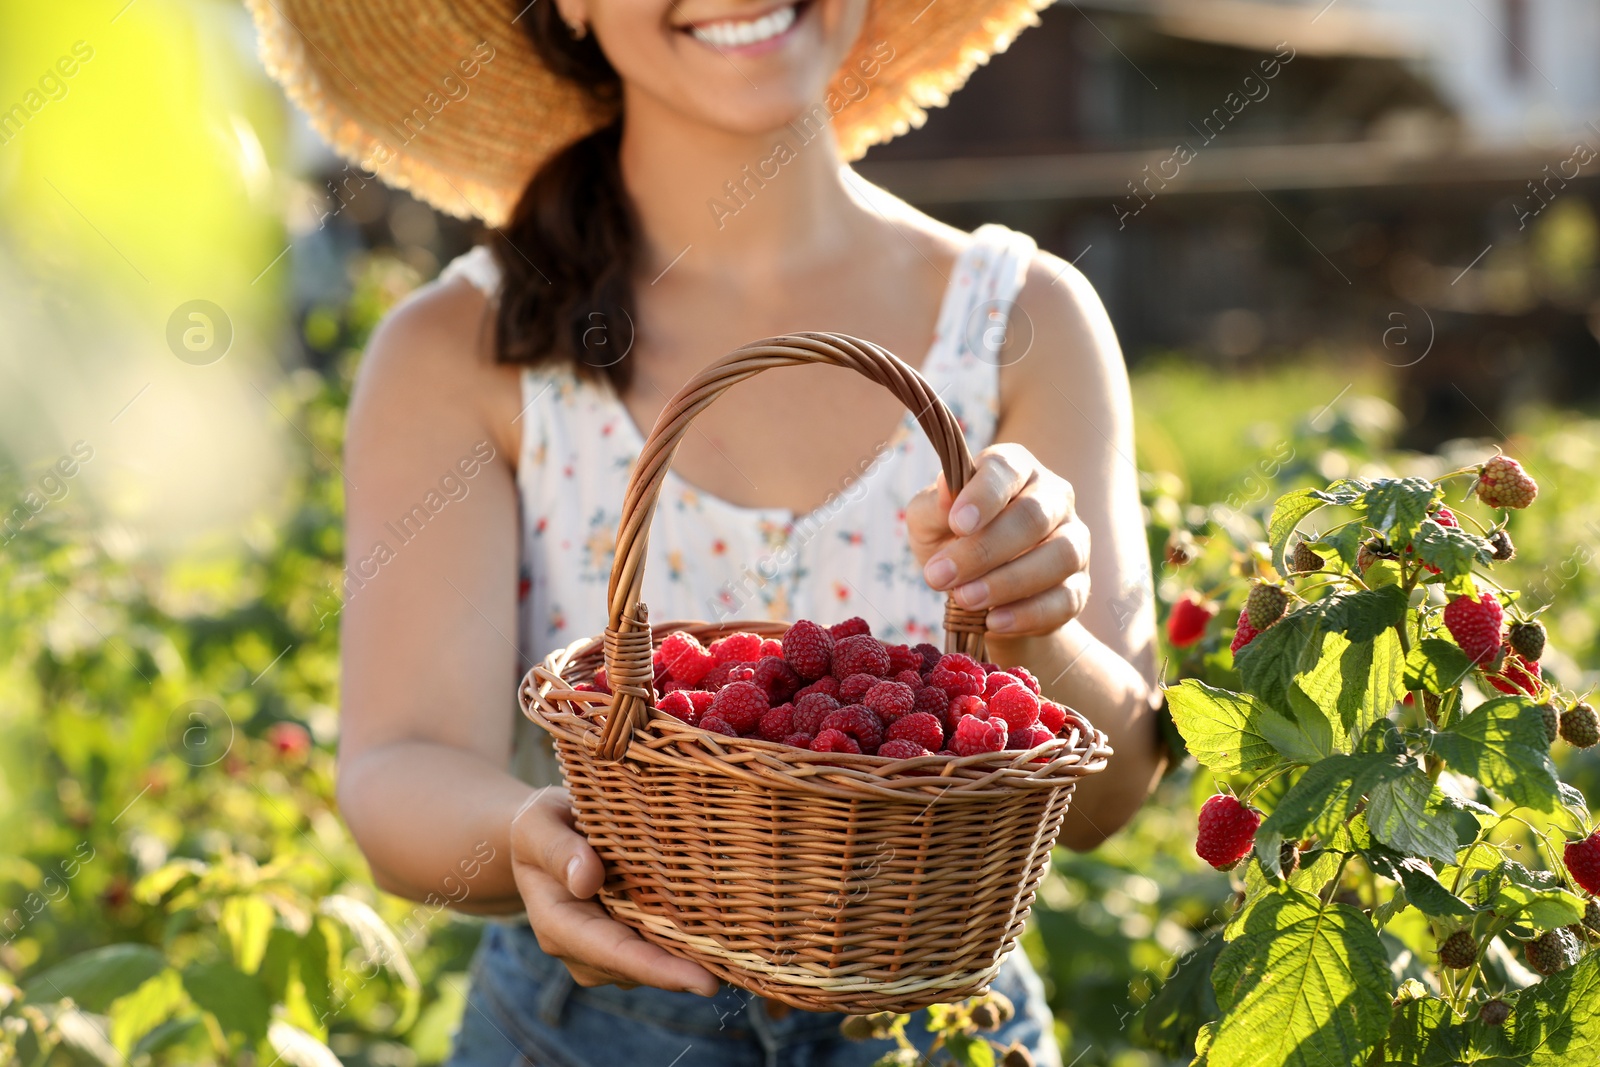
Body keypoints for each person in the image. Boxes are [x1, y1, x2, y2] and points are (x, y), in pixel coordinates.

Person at [251, 0, 1165, 1061]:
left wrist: (1030, 623)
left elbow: (1105, 792)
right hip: (591, 1030)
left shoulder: (1024, 319)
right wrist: (538, 843)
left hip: (941, 1019)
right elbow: (397, 764)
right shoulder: (460, 348)